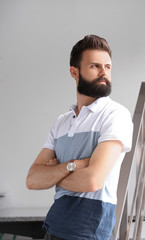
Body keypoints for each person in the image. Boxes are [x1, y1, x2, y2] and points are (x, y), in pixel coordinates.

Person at [26, 35, 133, 240]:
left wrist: (53, 175)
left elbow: (93, 180)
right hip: (55, 225)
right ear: (74, 72)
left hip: (89, 228)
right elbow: (32, 179)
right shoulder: (62, 122)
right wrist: (73, 165)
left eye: (108, 67)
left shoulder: (115, 115)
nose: (104, 72)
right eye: (95, 66)